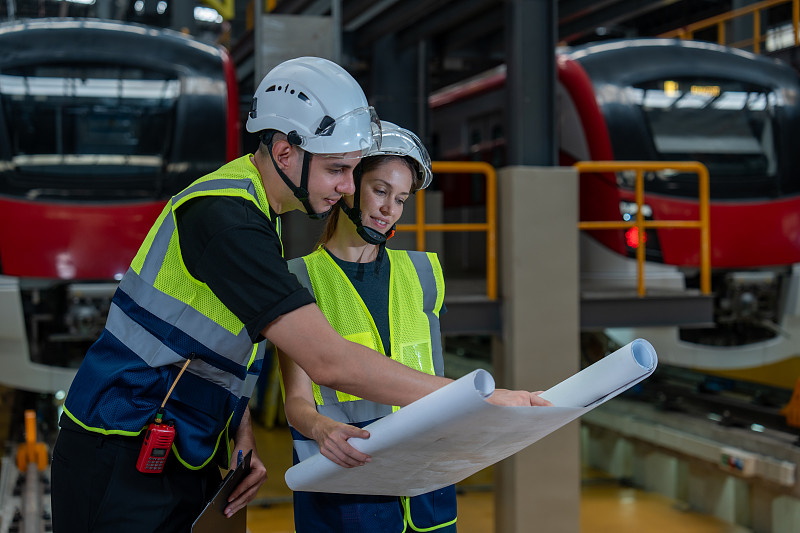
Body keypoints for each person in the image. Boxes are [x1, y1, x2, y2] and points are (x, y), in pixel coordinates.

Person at [50, 57, 547, 533]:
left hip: (178, 441)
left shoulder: (256, 213)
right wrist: (480, 398)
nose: (347, 187)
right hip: (121, 442)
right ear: (286, 152)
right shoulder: (227, 219)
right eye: (337, 169)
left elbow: (207, 350)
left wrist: (238, 425)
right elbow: (330, 362)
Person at [279, 122, 545, 532]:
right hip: (347, 485)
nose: (390, 209)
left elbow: (429, 381)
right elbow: (296, 400)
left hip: (425, 490)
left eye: (401, 199)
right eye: (380, 191)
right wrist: (320, 427)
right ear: (349, 185)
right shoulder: (299, 280)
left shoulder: (423, 274)